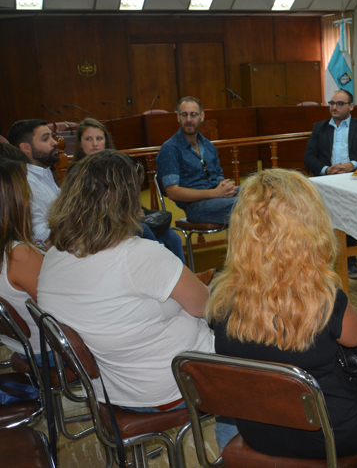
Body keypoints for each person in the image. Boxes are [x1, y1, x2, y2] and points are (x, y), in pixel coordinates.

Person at [206, 169, 357, 466]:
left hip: (260, 431)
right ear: (310, 226)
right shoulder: (323, 298)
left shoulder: (220, 298)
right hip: (332, 435)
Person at [37, 150, 214, 411]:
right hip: (172, 383)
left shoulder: (54, 255)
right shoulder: (138, 255)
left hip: (111, 387)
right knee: (249, 344)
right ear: (125, 201)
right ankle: (233, 433)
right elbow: (205, 306)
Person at [71, 118, 186, 264]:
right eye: (88, 139)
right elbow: (87, 209)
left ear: (105, 141)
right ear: (80, 144)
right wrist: (126, 213)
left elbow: (127, 196)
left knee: (172, 237)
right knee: (146, 232)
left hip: (125, 218)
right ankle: (163, 271)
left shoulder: (117, 167)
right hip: (98, 224)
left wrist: (134, 208)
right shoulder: (76, 172)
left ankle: (182, 274)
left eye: (99, 138)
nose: (95, 144)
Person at [304, 88, 357, 279]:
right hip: (327, 179)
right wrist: (326, 169)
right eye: (332, 103)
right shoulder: (319, 127)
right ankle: (317, 258)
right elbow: (309, 158)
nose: (334, 107)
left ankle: (349, 259)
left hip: (355, 178)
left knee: (345, 209)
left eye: (340, 104)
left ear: (351, 106)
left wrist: (351, 165)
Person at [156, 96, 238, 225]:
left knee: (260, 192)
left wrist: (226, 187)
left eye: (193, 115)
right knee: (250, 203)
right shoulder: (170, 148)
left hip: (218, 198)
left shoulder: (208, 145)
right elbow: (172, 192)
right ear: (178, 117)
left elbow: (219, 177)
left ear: (202, 116)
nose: (189, 120)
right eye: (184, 115)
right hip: (197, 207)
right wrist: (215, 193)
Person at [0, 158, 48, 364]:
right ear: (17, 199)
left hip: (21, 346)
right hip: (49, 352)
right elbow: (62, 308)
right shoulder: (19, 254)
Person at [7, 120, 60, 247]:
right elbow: (39, 235)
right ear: (26, 148)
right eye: (46, 139)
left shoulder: (44, 172)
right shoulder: (27, 182)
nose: (55, 142)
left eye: (52, 137)